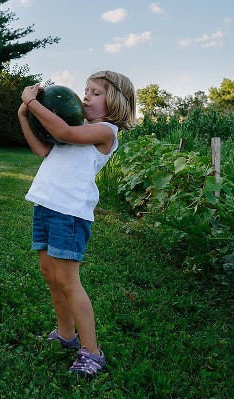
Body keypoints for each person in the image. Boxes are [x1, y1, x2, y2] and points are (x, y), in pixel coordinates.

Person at [18, 70, 136, 377]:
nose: (86, 97)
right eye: (86, 91)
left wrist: (32, 102)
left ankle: (92, 352)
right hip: (46, 204)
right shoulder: (73, 125)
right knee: (51, 275)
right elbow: (43, 149)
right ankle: (66, 335)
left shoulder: (106, 132)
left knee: (68, 281)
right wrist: (23, 112)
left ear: (118, 103)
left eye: (96, 93)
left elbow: (65, 135)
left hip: (69, 213)